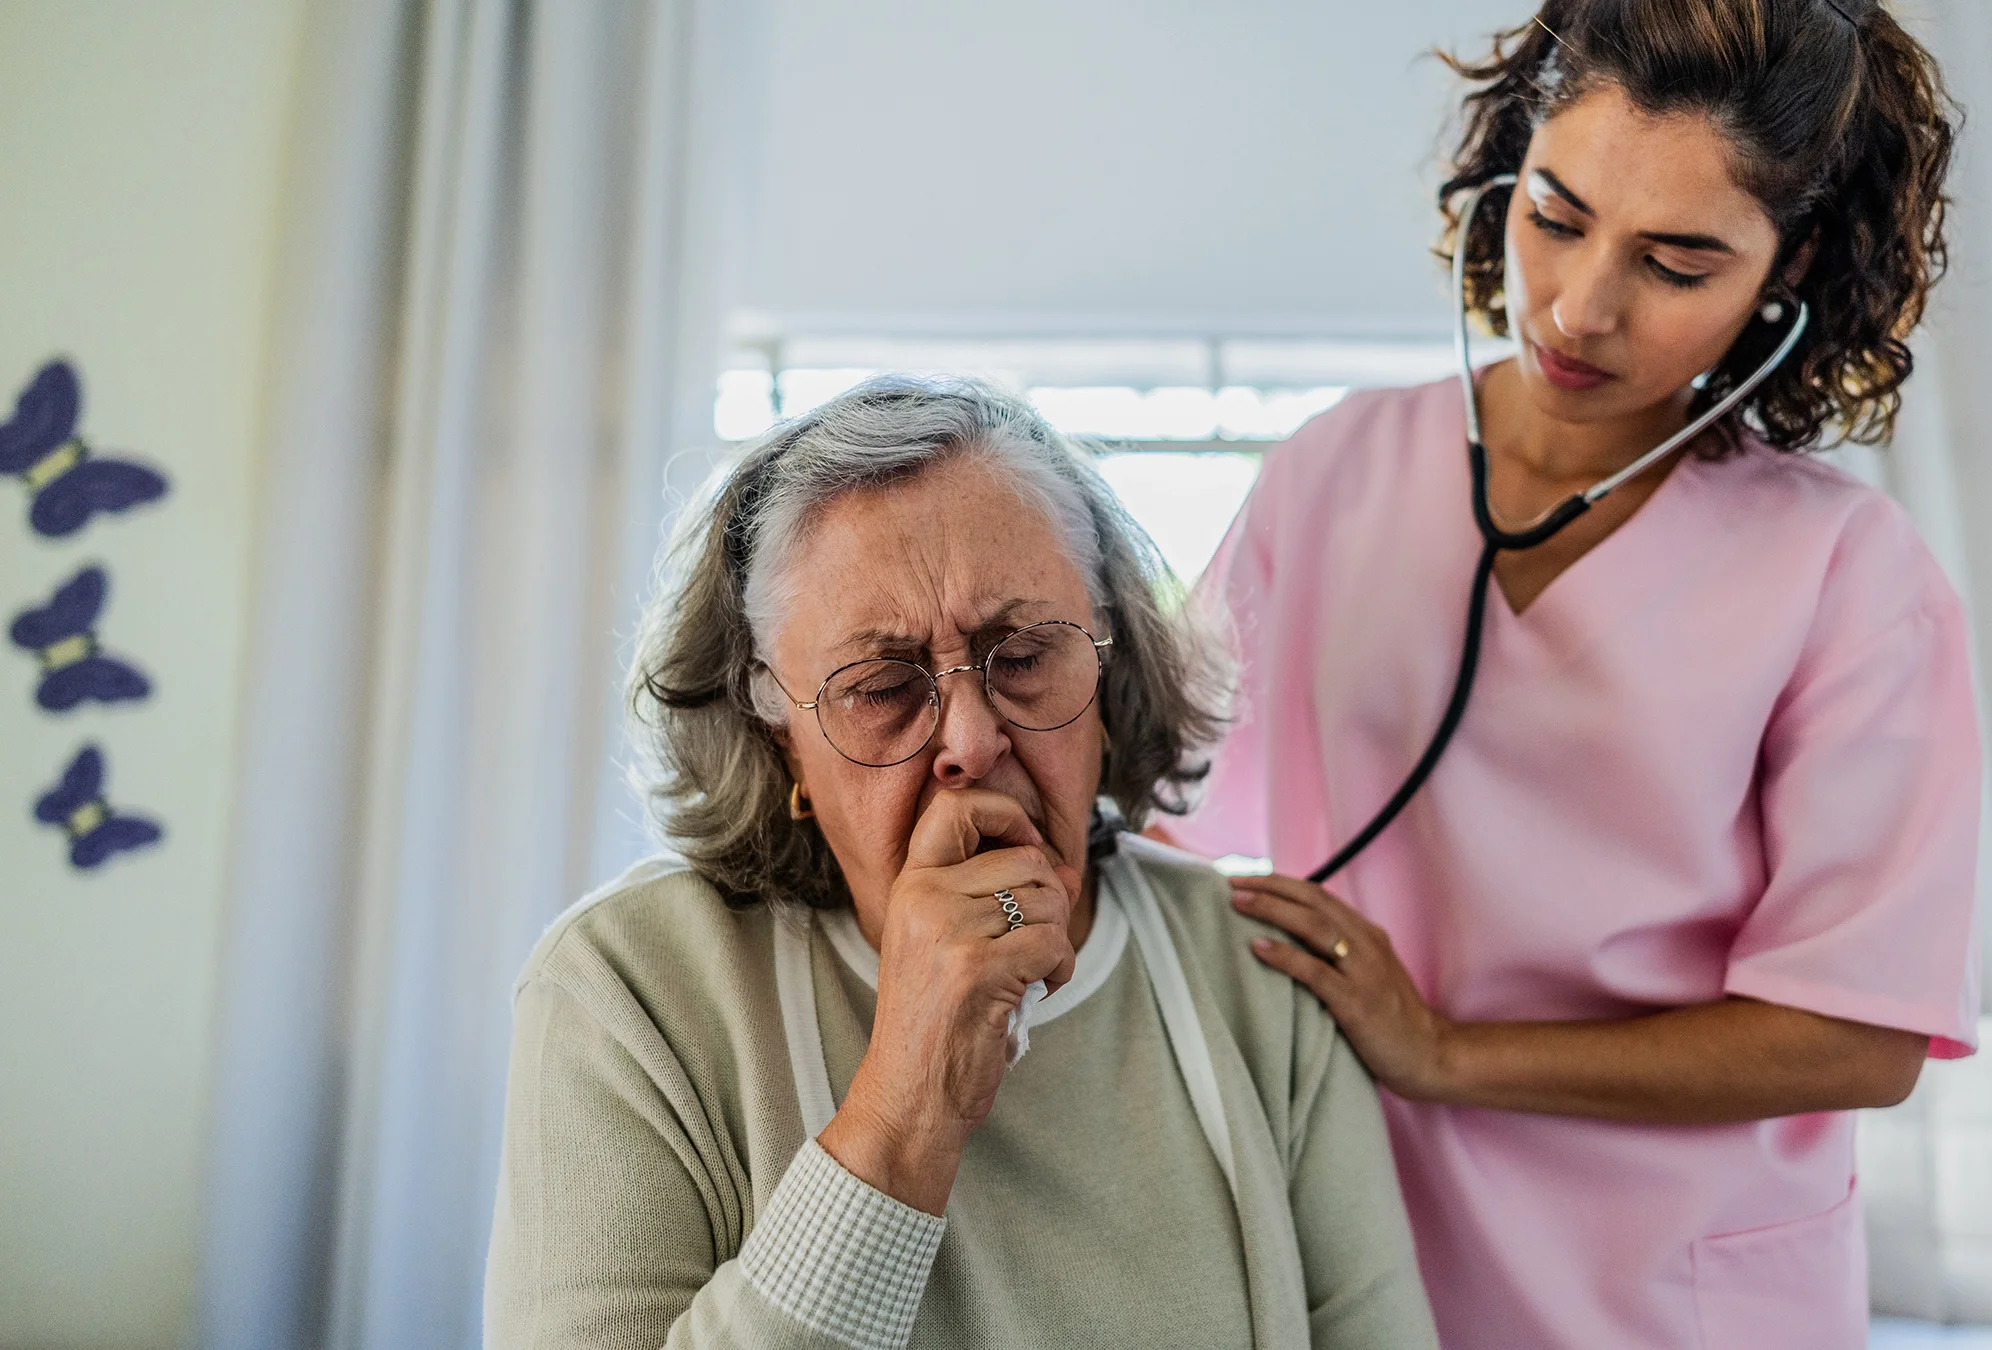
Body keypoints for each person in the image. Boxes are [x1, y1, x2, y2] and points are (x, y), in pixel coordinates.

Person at [1163, 2, 1978, 1346]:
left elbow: (1859, 1033)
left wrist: (1442, 1051)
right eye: (1555, 213)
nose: (1582, 305)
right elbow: (1157, 819)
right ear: (1505, 169)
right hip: (1365, 1253)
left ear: (1791, 270)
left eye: (1677, 262)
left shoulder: (1850, 574)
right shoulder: (1331, 475)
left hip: (1680, 1292)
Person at [483, 376, 1437, 1350]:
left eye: (1023, 656)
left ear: (1110, 674)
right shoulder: (627, 991)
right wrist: (908, 1110)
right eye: (884, 686)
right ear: (780, 741)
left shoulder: (1260, 976)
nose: (972, 741)